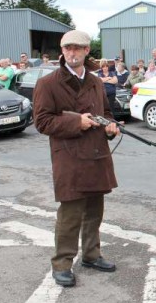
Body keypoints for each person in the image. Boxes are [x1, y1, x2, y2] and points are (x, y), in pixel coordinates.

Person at [33, 30, 120, 288]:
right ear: (62, 51)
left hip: (96, 154)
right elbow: (42, 121)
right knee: (70, 214)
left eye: (77, 48)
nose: (72, 52)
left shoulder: (94, 82)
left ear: (86, 51)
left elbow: (105, 112)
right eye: (67, 48)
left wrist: (110, 126)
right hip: (69, 157)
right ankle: (62, 264)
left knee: (95, 210)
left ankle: (92, 255)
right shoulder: (48, 83)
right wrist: (77, 122)